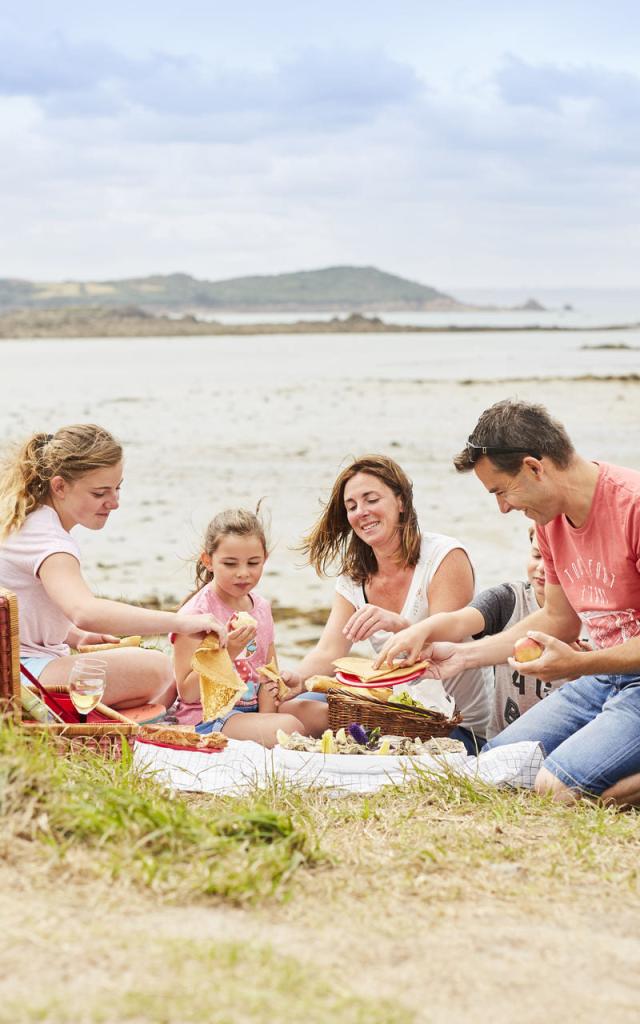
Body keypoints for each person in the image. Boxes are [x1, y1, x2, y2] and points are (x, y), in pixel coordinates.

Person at [409, 399, 640, 804]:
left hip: (616, 676)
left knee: (557, 790)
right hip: (607, 679)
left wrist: (580, 664)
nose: (502, 508)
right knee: (493, 767)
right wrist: (464, 656)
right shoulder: (548, 523)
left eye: (501, 491)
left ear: (535, 466)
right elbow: (557, 620)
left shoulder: (632, 507)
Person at [0, 425, 226, 711]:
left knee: (149, 683)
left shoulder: (25, 520)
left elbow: (24, 609)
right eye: (100, 493)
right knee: (157, 668)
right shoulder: (51, 542)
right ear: (59, 487)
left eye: (117, 488)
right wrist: (180, 622)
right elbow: (85, 611)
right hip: (21, 679)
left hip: (18, 669)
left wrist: (74, 636)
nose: (115, 502)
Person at [279, 455, 493, 753]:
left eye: (371, 499)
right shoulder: (353, 579)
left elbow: (447, 639)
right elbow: (329, 651)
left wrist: (400, 625)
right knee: (290, 709)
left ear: (401, 501)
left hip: (455, 727)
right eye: (351, 506)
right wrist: (296, 681)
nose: (361, 512)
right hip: (392, 714)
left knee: (311, 718)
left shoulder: (444, 556)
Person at [376, 526, 581, 738]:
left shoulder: (594, 619)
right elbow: (458, 621)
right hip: (501, 741)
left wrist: (583, 666)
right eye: (537, 555)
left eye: (554, 560)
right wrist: (418, 629)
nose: (541, 568)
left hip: (566, 742)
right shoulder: (508, 599)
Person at [172, 508, 326, 747]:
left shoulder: (261, 608)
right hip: (210, 717)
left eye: (253, 563)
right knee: (290, 728)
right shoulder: (195, 615)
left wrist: (269, 710)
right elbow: (188, 693)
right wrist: (228, 652)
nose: (243, 573)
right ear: (208, 561)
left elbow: (266, 676)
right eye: (230, 564)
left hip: (252, 708)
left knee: (325, 712)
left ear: (264, 558)